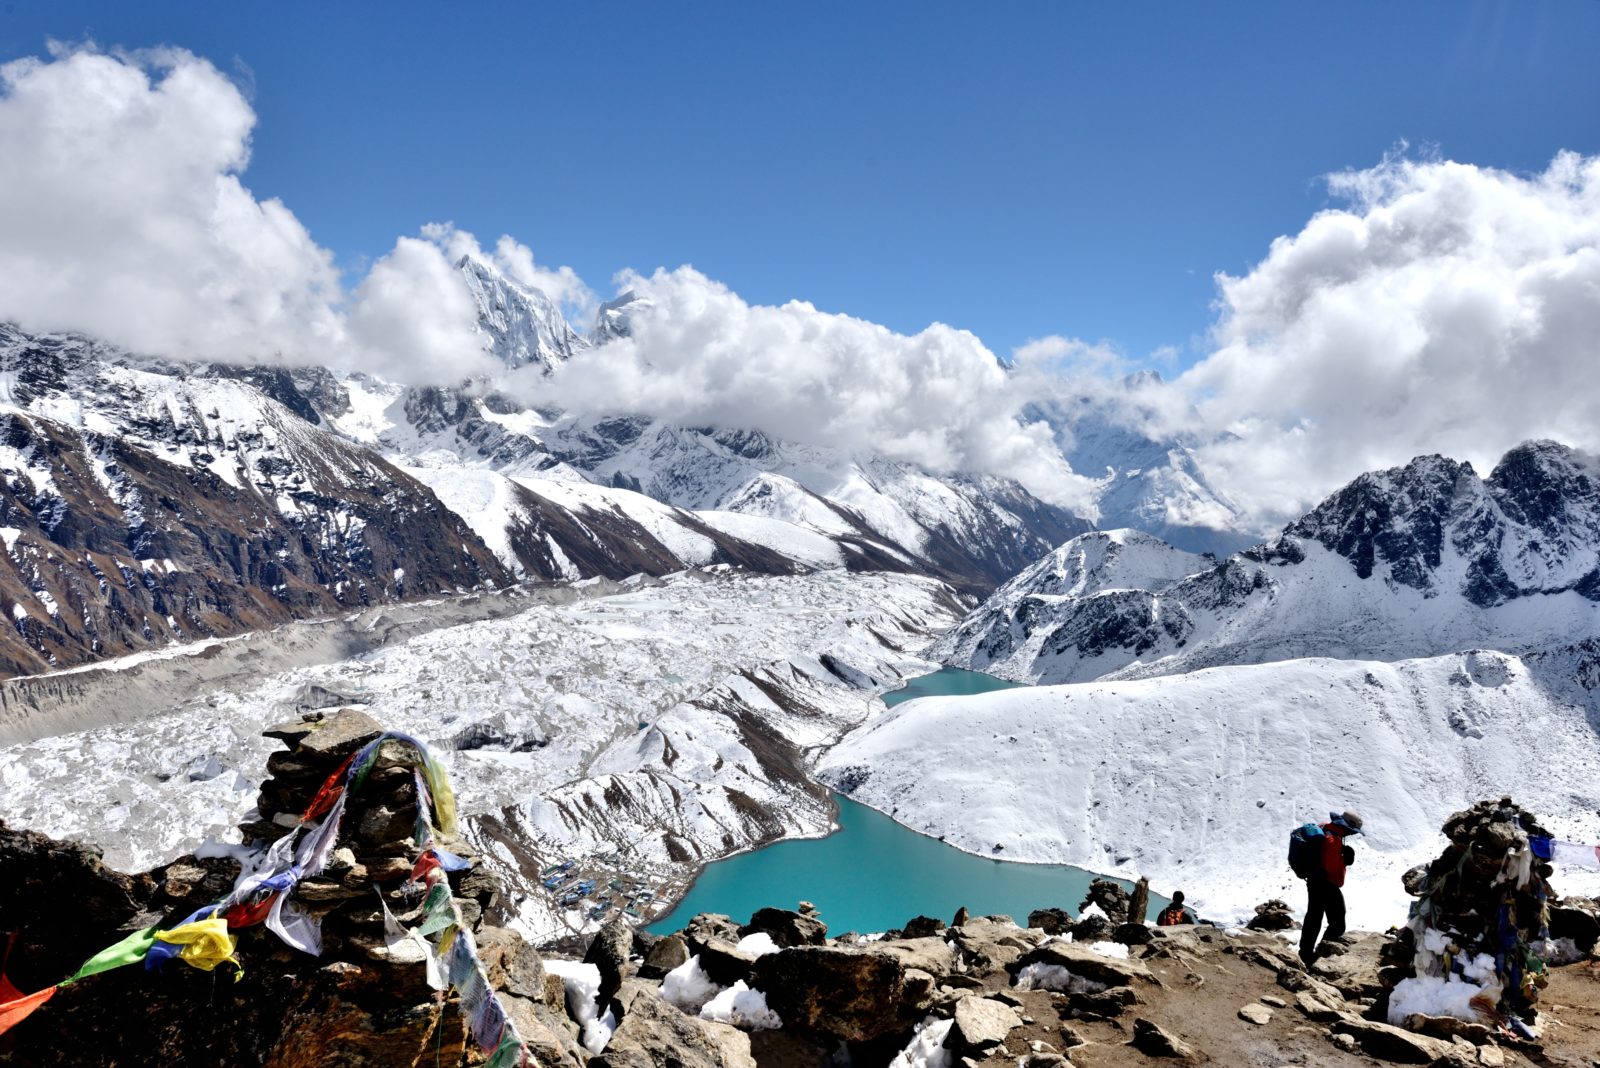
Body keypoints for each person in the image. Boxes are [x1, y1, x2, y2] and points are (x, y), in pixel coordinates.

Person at [1299, 810, 1362, 967]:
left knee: (1314, 917)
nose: (1353, 834)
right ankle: (1322, 955)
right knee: (1337, 923)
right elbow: (1330, 866)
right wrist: (1344, 860)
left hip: (1315, 881)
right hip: (1326, 883)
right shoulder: (1333, 838)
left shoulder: (1325, 828)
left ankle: (1305, 954)